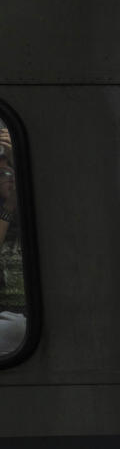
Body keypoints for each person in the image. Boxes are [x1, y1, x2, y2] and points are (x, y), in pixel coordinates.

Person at [0, 136, 25, 356]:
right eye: (2, 174)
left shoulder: (34, 208)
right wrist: (9, 206)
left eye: (12, 173)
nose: (9, 179)